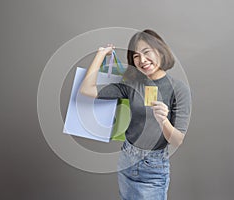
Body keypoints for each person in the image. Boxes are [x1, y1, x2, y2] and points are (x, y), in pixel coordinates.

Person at [79, 29, 191, 200]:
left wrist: (163, 121)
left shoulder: (178, 89)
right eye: (136, 56)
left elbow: (177, 140)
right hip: (127, 159)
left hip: (153, 166)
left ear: (160, 51)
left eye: (146, 52)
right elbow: (87, 90)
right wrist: (101, 55)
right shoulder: (132, 84)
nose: (142, 60)